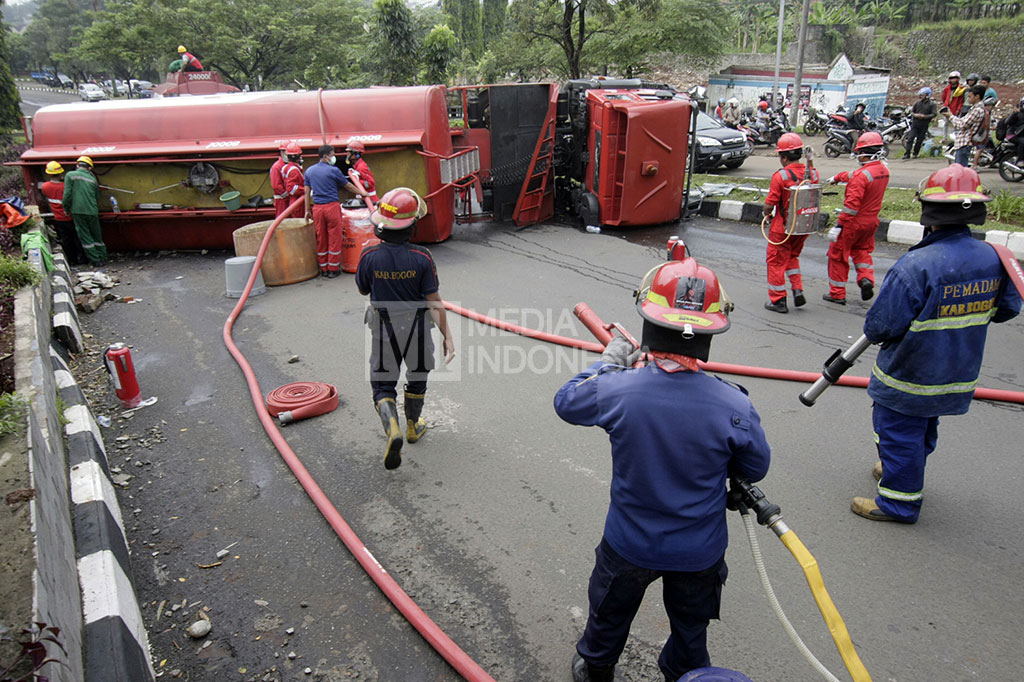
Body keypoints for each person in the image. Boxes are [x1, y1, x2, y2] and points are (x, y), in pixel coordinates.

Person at [554, 257, 770, 682]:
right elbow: (755, 467)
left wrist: (611, 360)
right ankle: (686, 674)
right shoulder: (734, 404)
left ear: (649, 321)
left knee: (609, 615)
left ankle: (596, 668)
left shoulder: (618, 390)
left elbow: (567, 401)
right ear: (710, 332)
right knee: (691, 630)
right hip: (699, 551)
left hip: (629, 543)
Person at [852, 165, 1020, 523]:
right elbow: (1007, 309)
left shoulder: (917, 265)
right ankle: (902, 469)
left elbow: (880, 327)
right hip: (956, 373)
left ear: (928, 210)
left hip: (909, 376)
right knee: (924, 427)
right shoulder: (996, 256)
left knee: (898, 432)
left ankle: (899, 503)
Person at [355, 187, 455, 470]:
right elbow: (433, 301)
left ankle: (393, 429)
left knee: (383, 385)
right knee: (418, 376)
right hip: (417, 329)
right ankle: (412, 426)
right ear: (412, 226)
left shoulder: (368, 255)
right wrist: (447, 336)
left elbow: (363, 289)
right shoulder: (422, 257)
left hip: (384, 330)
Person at [823, 131, 890, 306]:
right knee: (861, 251)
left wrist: (839, 225)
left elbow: (851, 207)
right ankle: (866, 278)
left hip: (853, 223)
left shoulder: (861, 176)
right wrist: (837, 177)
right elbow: (856, 174)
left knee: (837, 255)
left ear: (864, 154)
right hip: (871, 222)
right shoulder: (882, 171)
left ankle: (837, 293)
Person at [762, 132, 818, 314]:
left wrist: (766, 215)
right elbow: (813, 177)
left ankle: (778, 300)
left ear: (784, 157)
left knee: (776, 262)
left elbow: (770, 204)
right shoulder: (812, 173)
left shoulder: (780, 176)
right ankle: (797, 289)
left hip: (782, 228)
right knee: (792, 257)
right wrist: (810, 160)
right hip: (802, 228)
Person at [304, 145, 350, 277]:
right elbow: (348, 186)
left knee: (321, 238)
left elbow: (307, 192)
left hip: (317, 208)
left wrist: (307, 210)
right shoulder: (333, 170)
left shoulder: (309, 171)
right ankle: (333, 269)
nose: (334, 157)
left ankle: (323, 268)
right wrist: (362, 192)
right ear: (325, 156)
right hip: (331, 207)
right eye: (332, 155)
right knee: (334, 237)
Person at [62, 156, 107, 266]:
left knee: (85, 236)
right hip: (92, 210)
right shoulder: (93, 179)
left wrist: (66, 208)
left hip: (78, 210)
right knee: (97, 235)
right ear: (90, 168)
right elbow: (97, 196)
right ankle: (103, 257)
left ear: (77, 165)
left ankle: (95, 260)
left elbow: (67, 195)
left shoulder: (70, 175)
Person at [40, 161, 87, 265]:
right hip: (71, 216)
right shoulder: (65, 186)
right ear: (61, 173)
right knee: (77, 238)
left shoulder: (45, 187)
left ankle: (72, 261)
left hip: (58, 218)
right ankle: (83, 259)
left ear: (49, 174)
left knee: (66, 240)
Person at [941, 85, 987, 167]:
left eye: (970, 96)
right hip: (963, 143)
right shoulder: (975, 108)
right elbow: (962, 121)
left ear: (977, 96)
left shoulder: (977, 110)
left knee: (960, 170)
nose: (968, 99)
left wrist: (950, 116)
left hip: (965, 142)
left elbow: (962, 124)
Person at [903, 87, 937, 160]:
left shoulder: (932, 104)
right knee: (910, 138)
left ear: (927, 95)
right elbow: (912, 112)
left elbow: (934, 114)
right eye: (920, 95)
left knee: (920, 140)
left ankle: (915, 153)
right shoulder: (917, 103)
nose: (921, 96)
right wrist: (915, 115)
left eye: (922, 95)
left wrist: (925, 116)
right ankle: (907, 154)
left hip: (924, 124)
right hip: (915, 123)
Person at [280, 144, 305, 216]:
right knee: (300, 221)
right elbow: (291, 189)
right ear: (298, 157)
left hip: (295, 201)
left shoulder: (286, 167)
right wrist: (305, 190)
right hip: (297, 202)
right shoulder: (294, 170)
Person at [270, 143, 289, 217]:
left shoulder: (288, 165)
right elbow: (276, 186)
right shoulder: (276, 167)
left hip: (289, 201)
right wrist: (288, 195)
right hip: (282, 202)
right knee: (283, 221)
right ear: (282, 152)